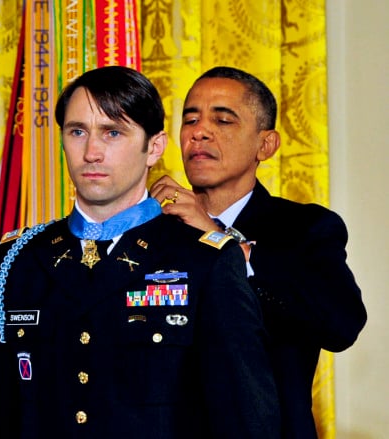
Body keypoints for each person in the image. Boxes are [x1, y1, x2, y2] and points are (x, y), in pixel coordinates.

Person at [0, 65, 280, 438]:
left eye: (113, 132)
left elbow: (247, 423)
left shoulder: (205, 261)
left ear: (154, 147)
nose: (92, 152)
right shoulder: (16, 260)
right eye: (78, 132)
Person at [150, 66, 367, 438]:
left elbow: (341, 325)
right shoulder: (154, 232)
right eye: (190, 119)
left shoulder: (305, 229)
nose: (199, 132)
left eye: (223, 119)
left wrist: (223, 243)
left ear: (265, 145)